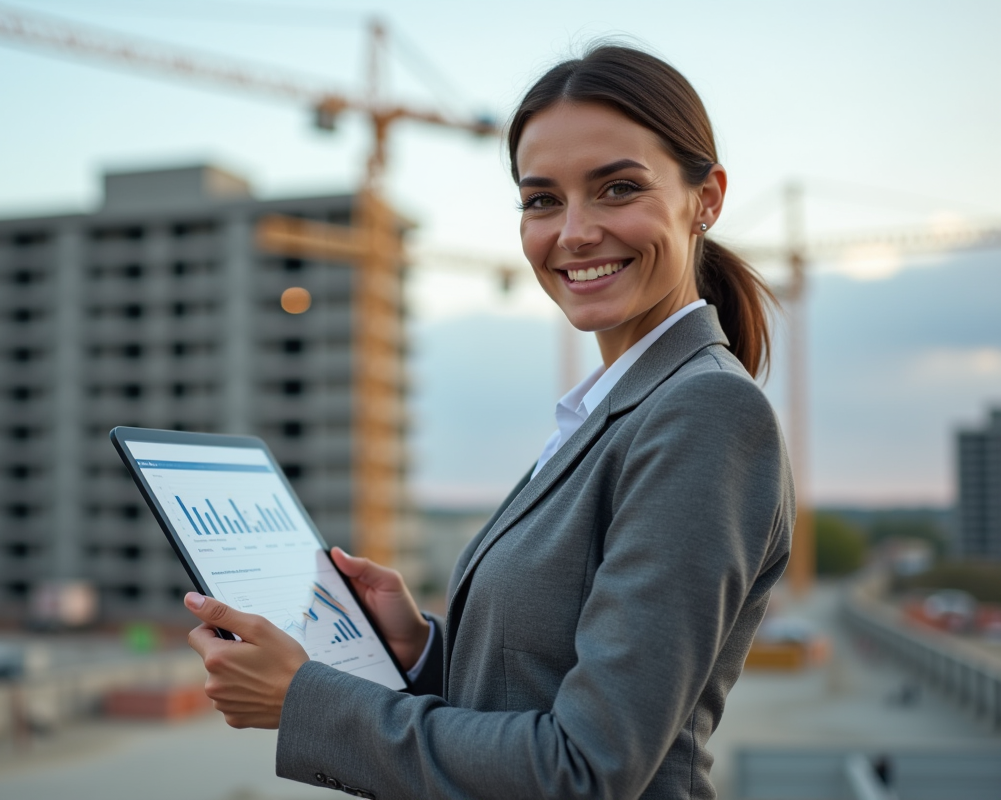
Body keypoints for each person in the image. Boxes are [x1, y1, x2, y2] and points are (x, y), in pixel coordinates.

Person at [183, 43, 794, 799]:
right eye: (542, 200)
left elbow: (585, 770)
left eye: (617, 188)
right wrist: (417, 651)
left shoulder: (704, 411)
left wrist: (304, 699)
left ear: (706, 198)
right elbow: (542, 689)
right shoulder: (611, 409)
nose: (572, 232)